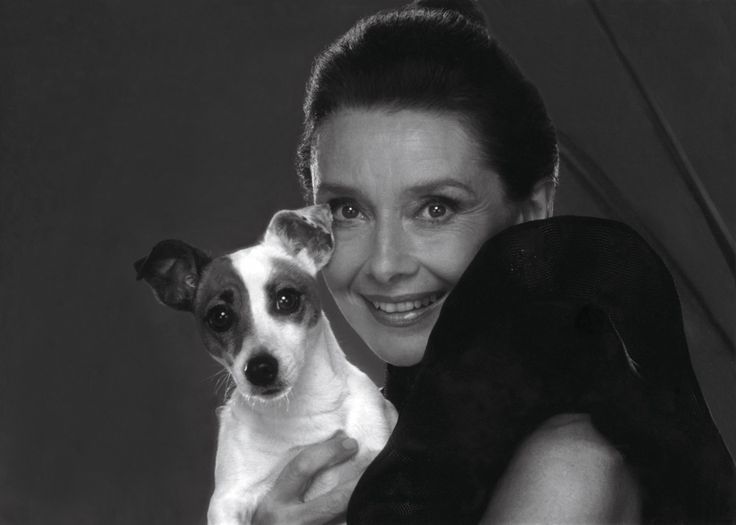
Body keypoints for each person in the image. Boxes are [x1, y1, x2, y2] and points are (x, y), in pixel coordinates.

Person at [250, 1, 734, 523]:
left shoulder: (570, 468)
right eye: (347, 210)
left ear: (532, 213)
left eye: (436, 208)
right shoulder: (376, 451)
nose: (385, 264)